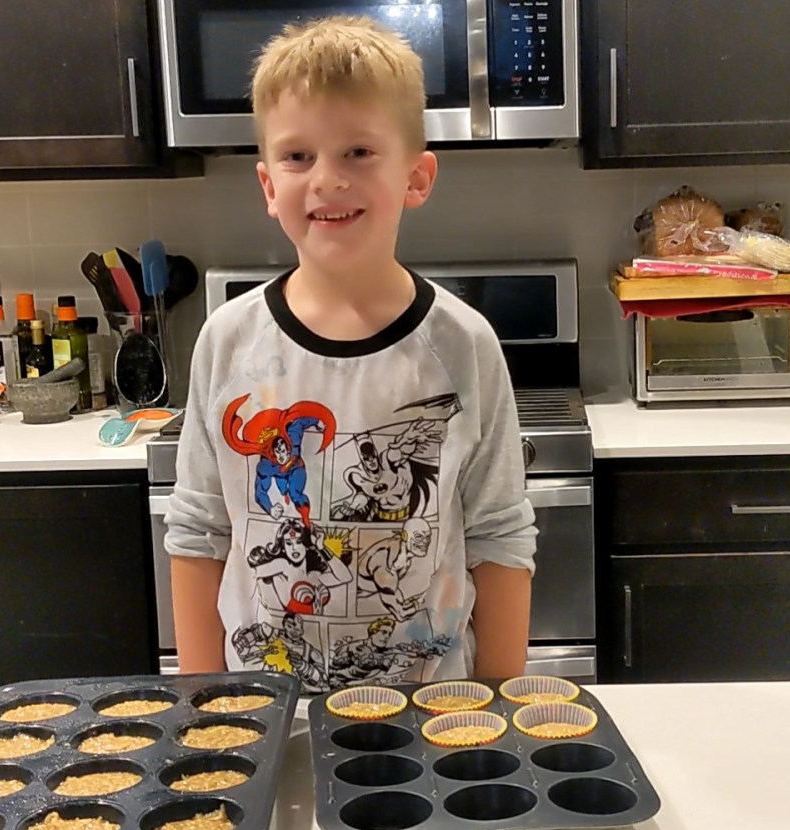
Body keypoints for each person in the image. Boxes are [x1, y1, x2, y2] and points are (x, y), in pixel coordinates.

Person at [164, 16, 536, 691]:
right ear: (269, 186)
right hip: (265, 710)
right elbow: (197, 532)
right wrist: (203, 703)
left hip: (433, 714)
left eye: (359, 153)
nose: (327, 180)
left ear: (417, 177)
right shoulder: (227, 340)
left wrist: (502, 706)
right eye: (298, 156)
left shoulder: (464, 343)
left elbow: (499, 535)